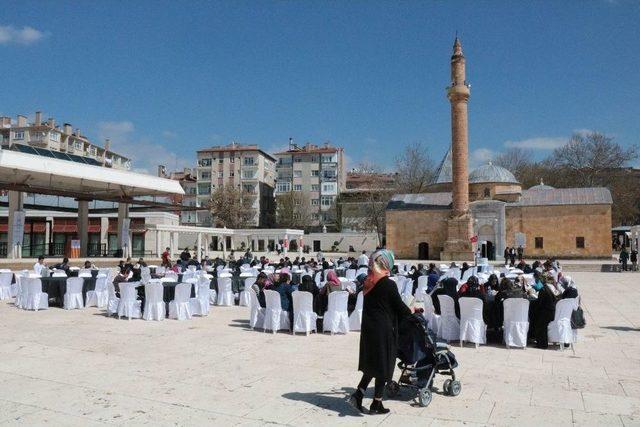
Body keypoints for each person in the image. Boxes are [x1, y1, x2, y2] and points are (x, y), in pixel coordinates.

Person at [349, 250, 411, 415]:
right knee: (383, 365)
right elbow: (399, 307)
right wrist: (412, 310)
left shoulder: (368, 282)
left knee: (374, 364)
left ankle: (365, 397)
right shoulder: (388, 284)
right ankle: (373, 401)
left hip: (370, 329)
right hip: (384, 330)